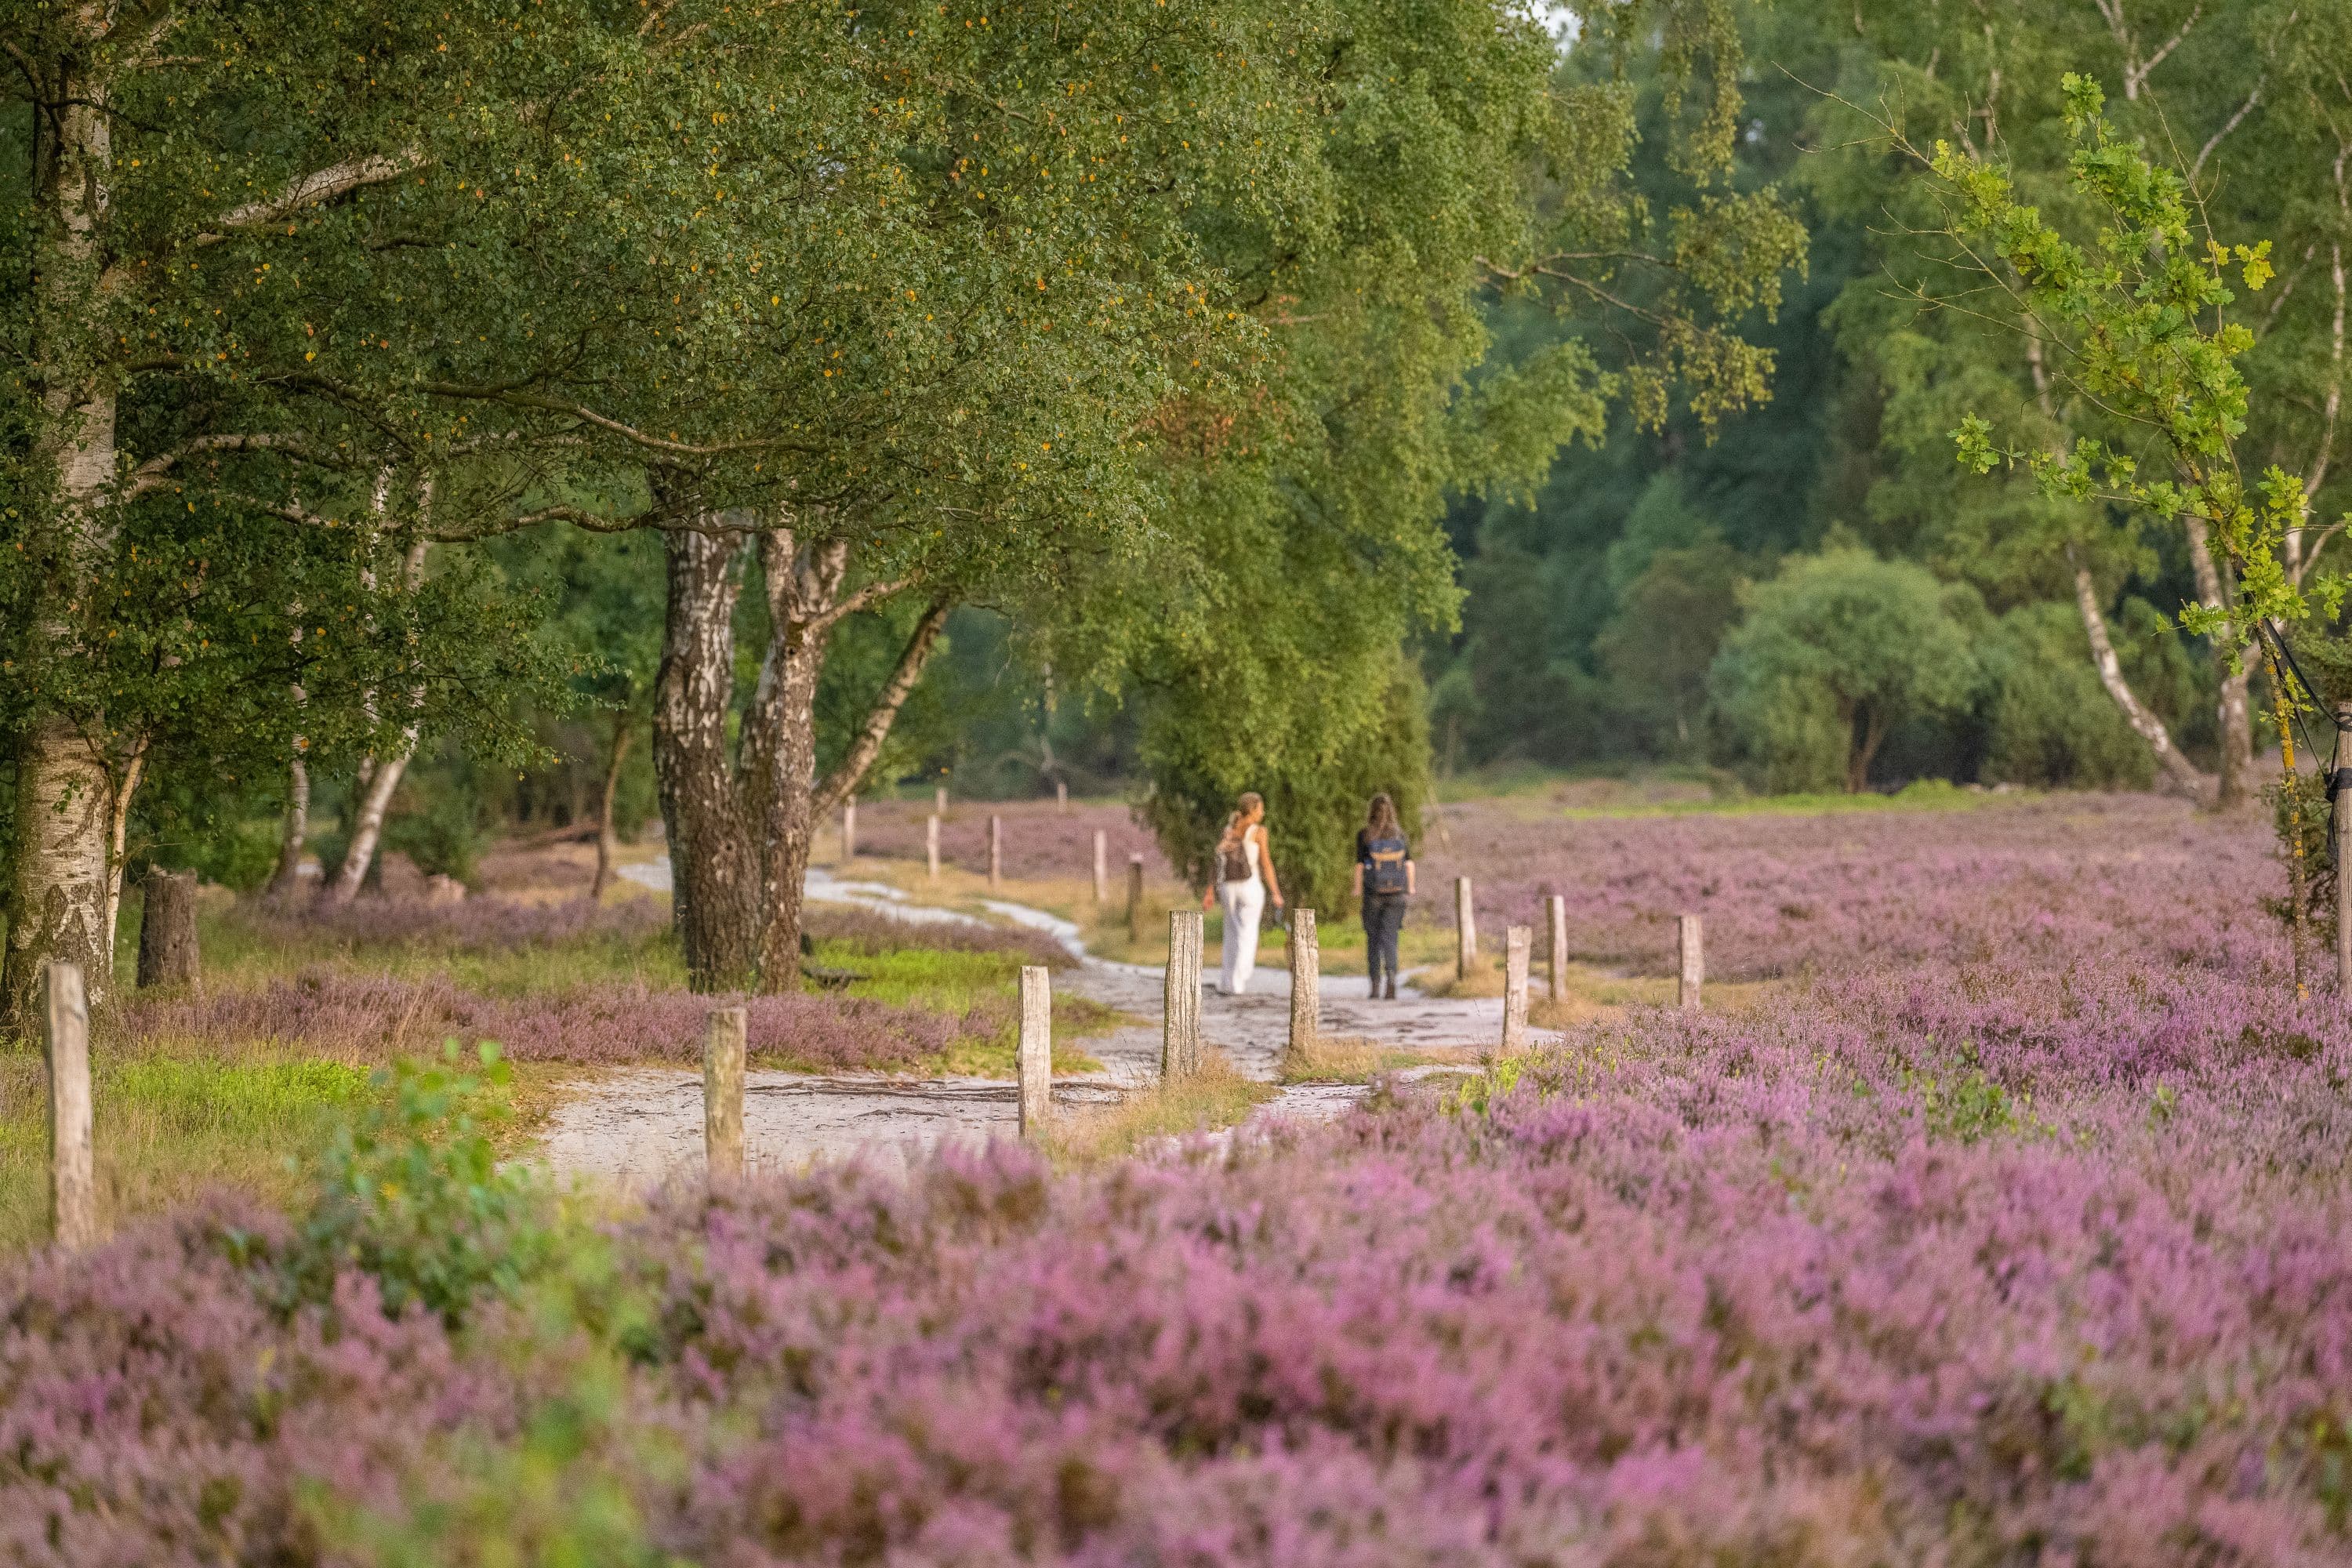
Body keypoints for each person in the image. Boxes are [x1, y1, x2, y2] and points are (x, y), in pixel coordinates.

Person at [1203, 791, 1283, 994]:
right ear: (1254, 810)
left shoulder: (1229, 830)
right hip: (1250, 885)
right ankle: (1239, 981)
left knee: (1230, 933)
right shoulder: (1258, 832)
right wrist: (1276, 892)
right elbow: (1266, 863)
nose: (1263, 813)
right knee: (1247, 934)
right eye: (1261, 809)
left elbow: (1218, 861)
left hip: (1227, 887)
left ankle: (1227, 981)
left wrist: (1210, 890)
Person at [1352, 792, 1414, 999]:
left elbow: (1360, 866)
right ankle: (1391, 979)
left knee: (1373, 938)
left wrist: (1357, 889)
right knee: (1390, 937)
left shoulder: (1365, 835)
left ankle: (1375, 984)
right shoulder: (1400, 835)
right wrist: (1410, 888)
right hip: (1397, 895)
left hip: (1373, 895)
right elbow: (1409, 865)